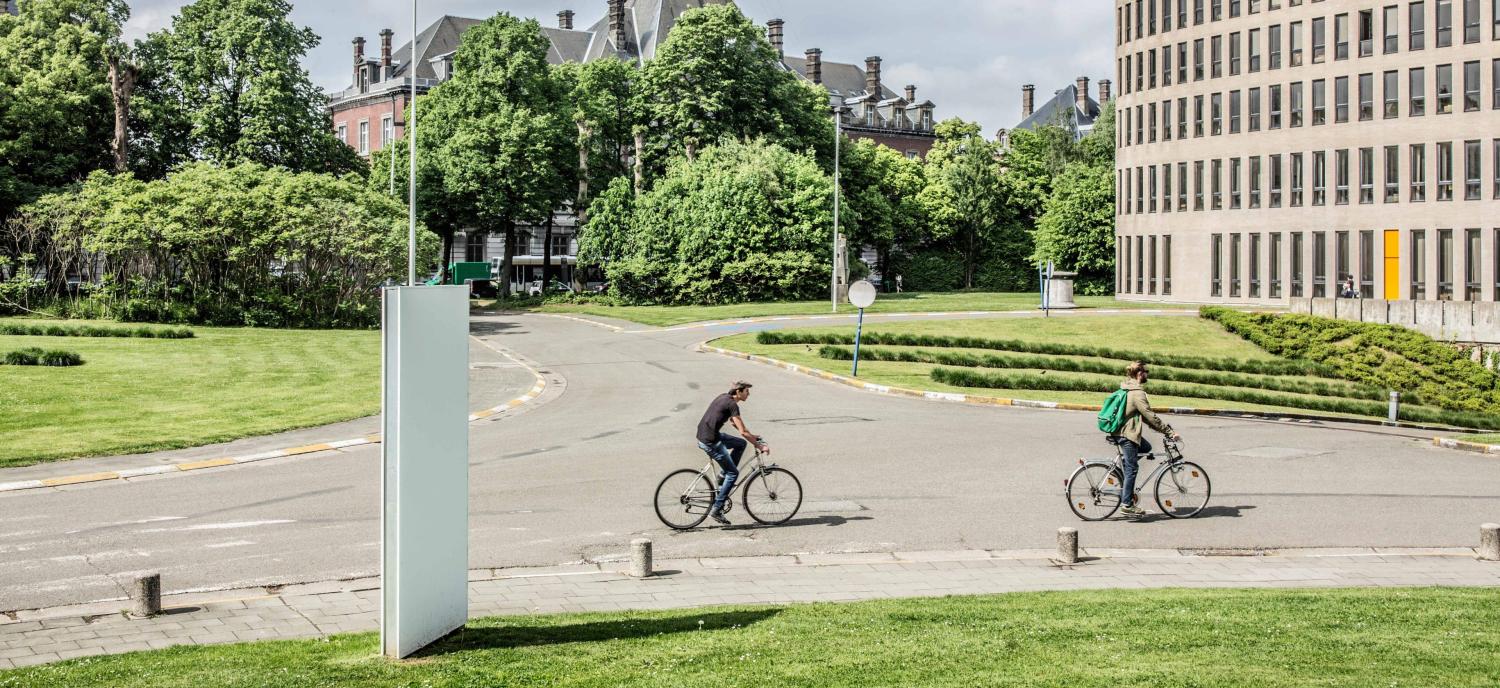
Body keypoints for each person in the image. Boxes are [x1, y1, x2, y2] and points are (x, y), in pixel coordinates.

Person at [1112, 361, 1181, 516]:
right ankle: (1127, 505)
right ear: (1139, 373)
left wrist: (1160, 429)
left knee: (1146, 448)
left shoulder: (1126, 388)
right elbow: (1150, 416)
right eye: (1146, 372)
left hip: (1121, 432)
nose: (1147, 375)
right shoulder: (1137, 393)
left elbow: (1146, 418)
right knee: (1132, 468)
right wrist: (1169, 432)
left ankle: (1122, 475)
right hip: (1127, 435)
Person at [695, 381, 767, 525]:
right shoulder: (732, 404)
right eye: (747, 391)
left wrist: (751, 436)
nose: (749, 394)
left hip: (707, 434)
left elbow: (735, 424)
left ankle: (723, 475)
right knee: (733, 473)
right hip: (710, 441)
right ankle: (716, 509)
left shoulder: (724, 397)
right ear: (738, 392)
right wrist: (759, 446)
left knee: (741, 443)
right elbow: (742, 431)